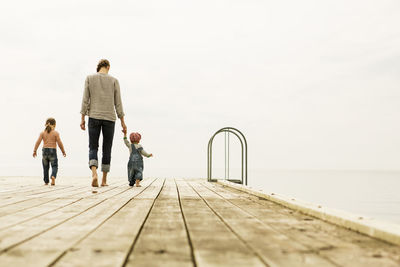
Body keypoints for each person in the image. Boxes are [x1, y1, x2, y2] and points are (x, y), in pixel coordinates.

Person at [80, 59, 127, 188]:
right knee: (107, 149)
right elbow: (118, 103)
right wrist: (122, 121)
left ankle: (94, 174)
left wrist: (82, 118)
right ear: (108, 67)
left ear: (99, 67)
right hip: (109, 118)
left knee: (93, 147)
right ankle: (104, 180)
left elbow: (85, 99)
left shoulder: (89, 78)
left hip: (94, 116)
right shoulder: (114, 81)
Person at [33, 118, 66, 185]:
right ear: (54, 125)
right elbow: (59, 143)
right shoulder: (55, 133)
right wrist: (63, 151)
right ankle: (53, 176)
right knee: (54, 166)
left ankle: (46, 181)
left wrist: (35, 150)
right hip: (52, 151)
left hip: (44, 151)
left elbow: (38, 142)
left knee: (45, 167)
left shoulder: (42, 133)